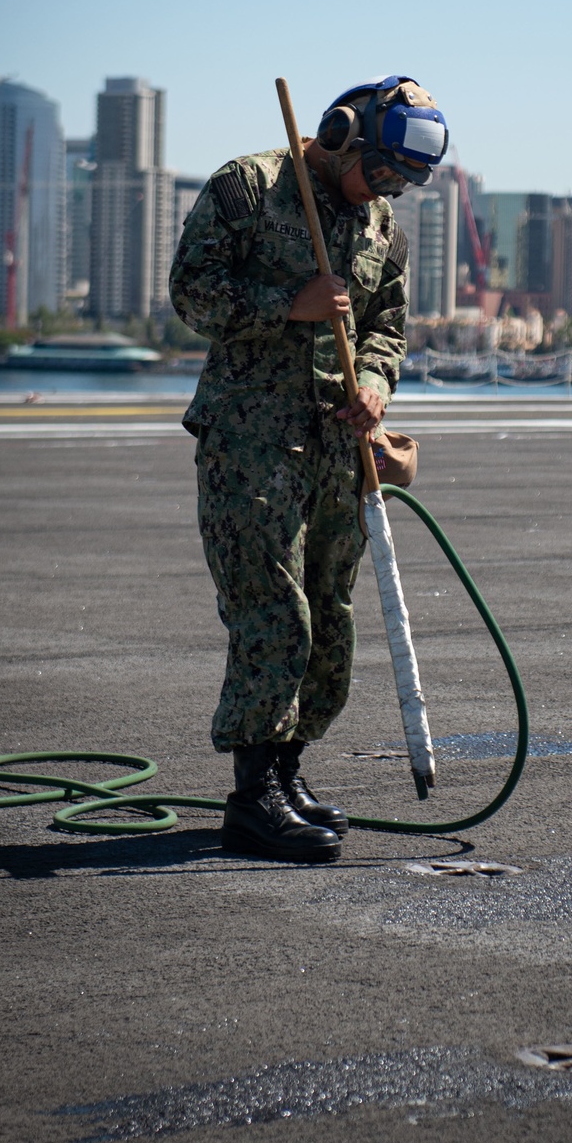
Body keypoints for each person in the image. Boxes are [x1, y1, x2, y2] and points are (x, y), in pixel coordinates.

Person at [169, 76, 449, 862]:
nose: (386, 190)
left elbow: (389, 325)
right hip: (252, 442)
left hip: (335, 449)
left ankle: (288, 774)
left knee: (329, 612)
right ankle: (253, 796)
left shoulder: (378, 227)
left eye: (402, 182)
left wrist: (375, 384)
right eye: (381, 171)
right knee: (272, 608)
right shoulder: (248, 189)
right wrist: (286, 303)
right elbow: (190, 291)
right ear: (340, 135)